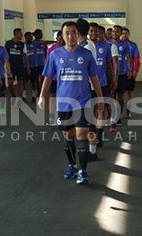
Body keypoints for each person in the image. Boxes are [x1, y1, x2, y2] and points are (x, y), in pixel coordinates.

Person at [38, 21, 103, 185]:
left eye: (73, 32)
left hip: (83, 102)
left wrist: (101, 98)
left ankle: (83, 171)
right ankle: (72, 165)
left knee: (81, 136)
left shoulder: (86, 54)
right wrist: (41, 96)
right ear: (62, 35)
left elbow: (94, 78)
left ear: (78, 34)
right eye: (67, 33)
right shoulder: (55, 55)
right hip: (64, 104)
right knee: (68, 136)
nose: (70, 36)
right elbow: (47, 77)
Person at [113, 26, 133, 126]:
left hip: (121, 74)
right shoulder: (108, 44)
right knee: (111, 96)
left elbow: (129, 58)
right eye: (113, 31)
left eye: (117, 32)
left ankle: (118, 116)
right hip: (110, 75)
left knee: (119, 96)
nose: (115, 33)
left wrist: (130, 69)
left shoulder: (125, 45)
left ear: (120, 33)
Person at [45, 30, 65, 125]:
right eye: (59, 39)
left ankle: (61, 117)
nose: (61, 42)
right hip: (53, 78)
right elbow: (48, 63)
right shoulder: (51, 49)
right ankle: (52, 117)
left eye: (63, 40)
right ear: (56, 39)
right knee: (53, 96)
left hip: (65, 78)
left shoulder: (68, 49)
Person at [5, 28, 30, 103]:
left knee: (20, 83)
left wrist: (28, 67)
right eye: (20, 33)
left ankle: (20, 98)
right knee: (10, 84)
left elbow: (25, 56)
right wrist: (6, 67)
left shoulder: (22, 44)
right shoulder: (8, 43)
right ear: (16, 34)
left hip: (20, 66)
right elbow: (5, 56)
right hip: (11, 67)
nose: (22, 35)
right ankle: (14, 96)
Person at [123, 28, 140, 118]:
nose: (124, 35)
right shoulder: (114, 45)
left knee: (130, 94)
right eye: (123, 33)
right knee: (118, 95)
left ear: (129, 34)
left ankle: (128, 112)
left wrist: (136, 70)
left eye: (126, 33)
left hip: (129, 74)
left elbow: (137, 59)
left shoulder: (133, 45)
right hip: (119, 74)